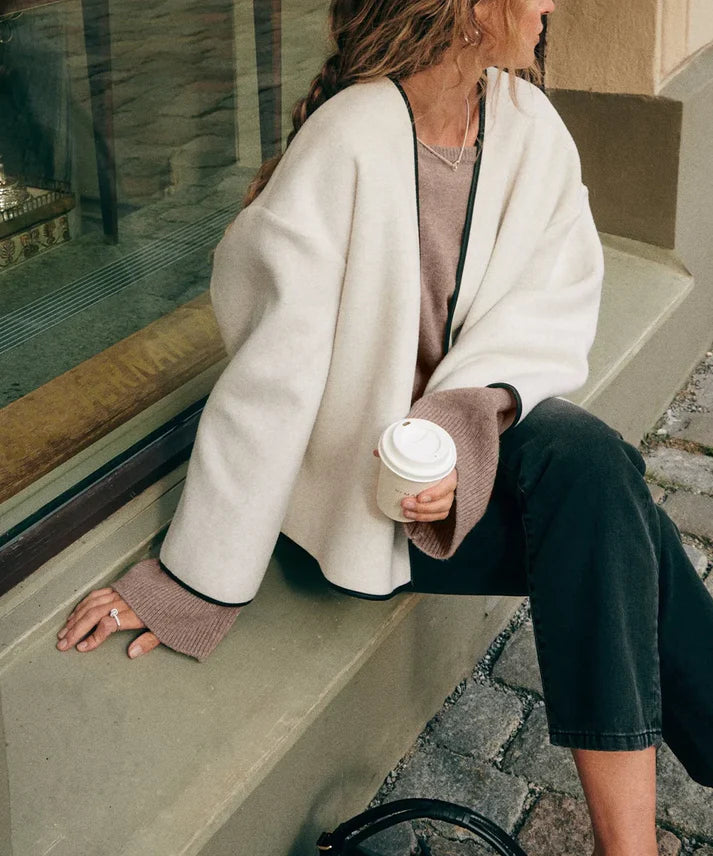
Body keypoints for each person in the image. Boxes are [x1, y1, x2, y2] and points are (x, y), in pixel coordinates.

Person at [55, 0, 713, 852]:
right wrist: (191, 581)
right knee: (617, 518)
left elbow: (549, 310)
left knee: (594, 475)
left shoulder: (527, 125)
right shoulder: (349, 142)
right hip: (361, 507)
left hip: (461, 471)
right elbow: (272, 377)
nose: (552, 3)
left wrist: (458, 438)